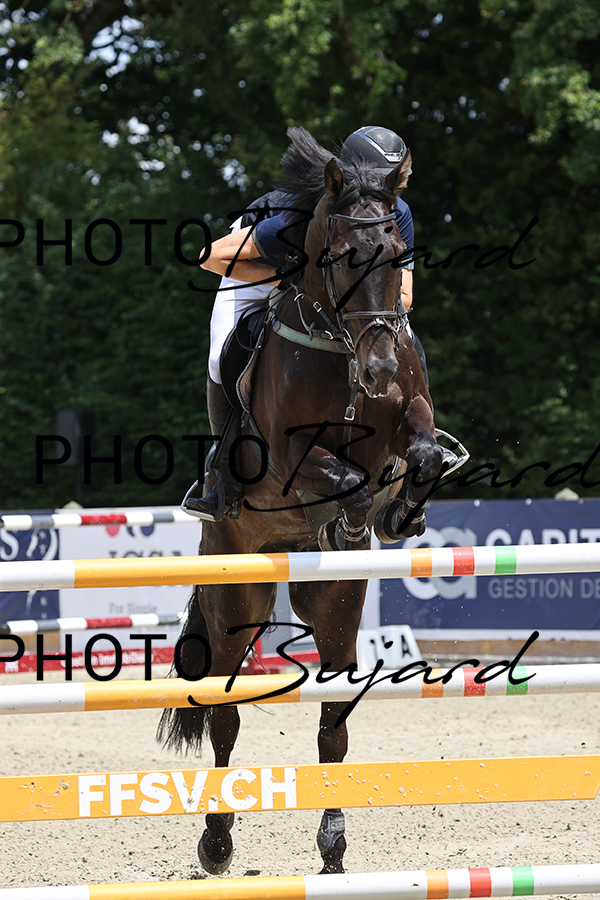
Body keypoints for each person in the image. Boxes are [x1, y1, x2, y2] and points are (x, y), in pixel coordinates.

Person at [185, 126, 459, 521]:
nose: (385, 196)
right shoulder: (291, 218)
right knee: (220, 357)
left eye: (392, 184)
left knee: (406, 335)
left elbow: (404, 296)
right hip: (258, 266)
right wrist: (292, 278)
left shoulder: (396, 212)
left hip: (337, 278)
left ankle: (430, 436)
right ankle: (223, 472)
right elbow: (209, 257)